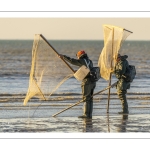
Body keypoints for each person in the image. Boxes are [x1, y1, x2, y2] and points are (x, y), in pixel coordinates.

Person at [58, 50, 96, 118]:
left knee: (86, 98)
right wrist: (78, 72)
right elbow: (87, 70)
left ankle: (86, 115)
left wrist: (63, 57)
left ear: (80, 56)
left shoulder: (83, 61)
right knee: (90, 99)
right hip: (93, 82)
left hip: (87, 82)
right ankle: (89, 115)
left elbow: (72, 61)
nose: (77, 57)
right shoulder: (89, 61)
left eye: (78, 56)